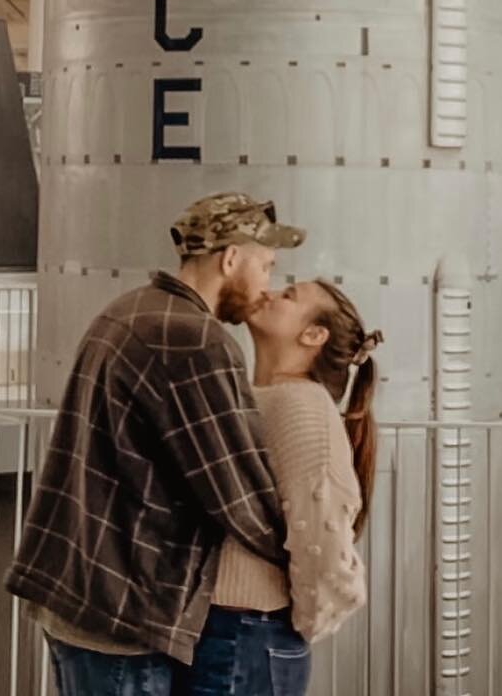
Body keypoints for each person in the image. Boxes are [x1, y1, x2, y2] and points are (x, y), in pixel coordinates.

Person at [6, 193, 306, 694]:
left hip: (78, 596)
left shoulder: (129, 310)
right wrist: (308, 560)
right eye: (266, 267)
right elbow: (240, 494)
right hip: (124, 612)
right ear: (230, 259)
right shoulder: (194, 340)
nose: (268, 288)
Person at [189, 282, 384, 696]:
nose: (271, 291)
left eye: (290, 295)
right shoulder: (265, 397)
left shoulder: (304, 408)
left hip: (248, 632)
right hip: (228, 629)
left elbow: (323, 537)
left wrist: (298, 621)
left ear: (313, 335)